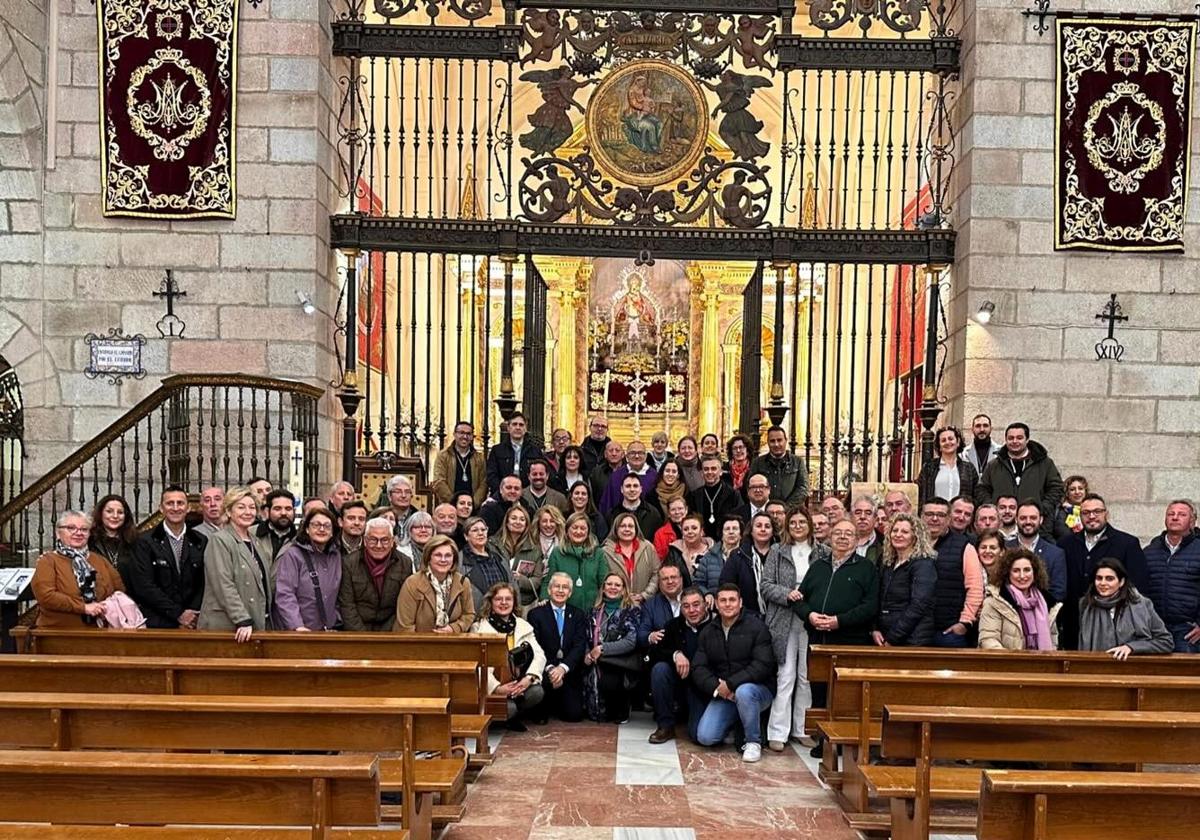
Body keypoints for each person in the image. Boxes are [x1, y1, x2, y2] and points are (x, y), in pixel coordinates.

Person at [761, 508, 828, 751]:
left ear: (810, 524)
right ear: (787, 527)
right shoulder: (777, 552)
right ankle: (777, 732)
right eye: (793, 522)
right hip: (784, 617)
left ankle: (802, 729)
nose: (798, 526)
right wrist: (787, 594)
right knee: (785, 674)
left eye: (802, 522)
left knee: (806, 675)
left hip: (810, 618)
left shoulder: (823, 552)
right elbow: (766, 585)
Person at [691, 583, 776, 762]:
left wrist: (731, 684)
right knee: (706, 737)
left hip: (757, 692)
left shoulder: (757, 627)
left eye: (732, 600)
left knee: (744, 692)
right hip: (725, 695)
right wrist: (717, 688)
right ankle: (738, 720)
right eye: (723, 600)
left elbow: (763, 664)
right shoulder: (708, 632)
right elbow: (698, 668)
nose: (728, 604)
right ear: (715, 603)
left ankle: (753, 741)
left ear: (740, 602)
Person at [1060, 493, 1150, 649]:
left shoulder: (1127, 543)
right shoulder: (1065, 544)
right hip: (1073, 624)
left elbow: (1138, 584)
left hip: (1113, 628)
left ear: (1106, 514)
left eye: (1097, 512)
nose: (1092, 516)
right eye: (1086, 513)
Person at [198, 487, 273, 641]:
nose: (248, 512)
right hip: (229, 626)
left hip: (254, 624)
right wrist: (242, 619)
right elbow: (223, 584)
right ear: (229, 512)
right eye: (241, 507)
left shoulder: (256, 542)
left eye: (252, 507)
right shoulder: (220, 540)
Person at [127, 485, 206, 629]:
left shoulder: (200, 541)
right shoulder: (144, 541)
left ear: (188, 508)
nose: (175, 508)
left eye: (180, 503)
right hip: (157, 622)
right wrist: (178, 614)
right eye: (170, 503)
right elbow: (143, 586)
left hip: (193, 622)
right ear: (161, 508)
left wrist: (191, 614)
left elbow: (205, 581)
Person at [471, 582, 546, 730]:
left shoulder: (523, 625)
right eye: (499, 599)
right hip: (493, 686)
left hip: (518, 682)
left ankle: (512, 714)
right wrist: (497, 688)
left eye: (508, 599)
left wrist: (528, 679)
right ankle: (505, 716)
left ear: (514, 602)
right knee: (508, 709)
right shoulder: (478, 628)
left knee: (537, 692)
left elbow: (539, 655)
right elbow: (476, 666)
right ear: (491, 602)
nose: (504, 603)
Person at [32, 510, 126, 629]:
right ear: (58, 533)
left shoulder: (100, 560)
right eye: (71, 528)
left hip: (100, 633)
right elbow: (46, 596)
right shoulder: (48, 561)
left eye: (84, 529)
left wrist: (106, 606)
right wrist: (83, 607)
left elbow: (119, 590)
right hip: (58, 633)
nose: (78, 533)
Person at [794, 519, 879, 646]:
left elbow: (870, 606)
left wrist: (839, 621)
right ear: (830, 537)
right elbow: (799, 599)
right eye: (837, 533)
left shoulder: (867, 568)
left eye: (848, 534)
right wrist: (809, 615)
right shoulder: (818, 566)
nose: (842, 537)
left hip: (851, 643)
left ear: (856, 541)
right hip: (816, 642)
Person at [647, 585, 711, 744]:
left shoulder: (716, 626)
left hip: (704, 687)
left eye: (696, 605)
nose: (692, 610)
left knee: (698, 735)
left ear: (705, 605)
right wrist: (676, 654)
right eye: (686, 606)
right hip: (679, 683)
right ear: (681, 608)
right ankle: (665, 726)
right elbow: (655, 652)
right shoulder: (673, 625)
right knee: (660, 669)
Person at [976, 422, 1065, 531]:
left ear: (1027, 440)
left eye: (1019, 438)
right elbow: (981, 489)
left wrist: (1042, 509)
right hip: (1002, 528)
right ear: (1006, 440)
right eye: (1011, 438)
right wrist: (994, 508)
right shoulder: (994, 465)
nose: (1014, 441)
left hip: (1034, 526)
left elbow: (1056, 488)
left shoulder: (1045, 463)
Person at [1078, 558, 1173, 658]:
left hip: (1133, 668)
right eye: (1099, 578)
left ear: (1121, 582)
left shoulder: (1141, 604)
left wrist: (1132, 647)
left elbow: (1166, 642)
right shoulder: (1086, 605)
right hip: (1097, 667)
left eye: (1109, 579)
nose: (1103, 583)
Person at [922, 497, 984, 647]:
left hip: (949, 632)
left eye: (941, 515)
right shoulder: (910, 543)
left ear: (949, 518)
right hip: (915, 631)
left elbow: (975, 588)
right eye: (929, 514)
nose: (935, 519)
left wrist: (964, 622)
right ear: (921, 517)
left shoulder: (965, 547)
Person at [528, 572, 589, 722]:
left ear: (570, 593)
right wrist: (550, 669)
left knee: (574, 716)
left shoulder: (578, 615)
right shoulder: (536, 614)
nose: (560, 590)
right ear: (549, 590)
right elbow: (535, 646)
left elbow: (579, 646)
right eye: (557, 586)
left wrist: (563, 668)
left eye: (565, 587)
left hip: (568, 671)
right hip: (544, 670)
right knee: (539, 719)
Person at [1142, 499, 1200, 652]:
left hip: (1188, 630)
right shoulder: (1149, 551)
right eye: (1170, 514)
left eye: (1182, 514)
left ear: (1192, 521)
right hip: (1154, 628)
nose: (1175, 517)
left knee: (1186, 674)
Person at [584, 573, 642, 724]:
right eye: (609, 584)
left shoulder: (631, 611)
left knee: (610, 689)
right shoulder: (593, 611)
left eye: (617, 585)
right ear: (603, 588)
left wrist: (602, 649)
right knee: (597, 715)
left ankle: (623, 707)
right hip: (595, 663)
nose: (613, 588)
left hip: (620, 663)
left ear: (624, 590)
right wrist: (587, 654)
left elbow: (631, 641)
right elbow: (586, 636)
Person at [271, 507, 341, 631]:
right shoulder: (293, 555)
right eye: (316, 525)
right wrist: (297, 625)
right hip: (300, 630)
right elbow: (285, 594)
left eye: (327, 526)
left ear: (332, 531)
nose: (321, 529)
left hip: (328, 630)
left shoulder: (336, 556)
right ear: (307, 529)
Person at [338, 517, 413, 631]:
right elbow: (347, 605)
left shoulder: (404, 563)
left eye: (384, 540)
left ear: (392, 541)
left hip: (391, 631)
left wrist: (385, 636)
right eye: (373, 539)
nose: (378, 545)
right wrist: (364, 637)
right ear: (365, 540)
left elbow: (403, 605)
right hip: (356, 631)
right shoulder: (349, 563)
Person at [873, 513, 937, 647]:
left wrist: (893, 637)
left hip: (913, 639)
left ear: (915, 537)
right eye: (894, 531)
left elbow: (918, 605)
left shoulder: (923, 564)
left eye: (905, 531)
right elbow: (878, 598)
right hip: (884, 636)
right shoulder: (887, 562)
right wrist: (875, 629)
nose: (898, 535)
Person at [977, 548, 1059, 651]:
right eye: (1016, 571)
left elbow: (1053, 638)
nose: (1022, 576)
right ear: (1007, 573)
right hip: (1007, 665)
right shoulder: (994, 602)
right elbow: (988, 639)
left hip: (1042, 665)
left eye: (1027, 570)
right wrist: (1014, 662)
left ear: (1035, 572)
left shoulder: (1046, 602)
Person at [394, 535, 476, 633]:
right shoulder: (413, 583)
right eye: (438, 555)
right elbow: (405, 626)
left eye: (448, 555)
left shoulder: (462, 582)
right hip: (420, 644)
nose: (443, 560)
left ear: (454, 558)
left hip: (453, 643)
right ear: (428, 557)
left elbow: (469, 614)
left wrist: (454, 628)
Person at [542, 512, 608, 611]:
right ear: (567, 530)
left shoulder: (598, 554)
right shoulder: (557, 553)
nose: (578, 531)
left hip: (592, 611)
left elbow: (604, 583)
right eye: (575, 527)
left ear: (588, 531)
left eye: (583, 528)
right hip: (563, 611)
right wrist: (544, 599)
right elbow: (548, 581)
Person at [1007, 501, 1067, 602]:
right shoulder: (1005, 548)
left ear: (1041, 520)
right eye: (1023, 518)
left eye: (1033, 518)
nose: (1028, 522)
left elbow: (1058, 592)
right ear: (1016, 519)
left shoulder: (1055, 554)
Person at [489, 504, 544, 612]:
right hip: (496, 602)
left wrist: (521, 579)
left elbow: (537, 581)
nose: (518, 522)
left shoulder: (535, 549)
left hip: (523, 604)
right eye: (514, 518)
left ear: (526, 524)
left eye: (522, 519)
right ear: (507, 522)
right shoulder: (492, 545)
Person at [720, 512, 774, 619]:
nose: (763, 529)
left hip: (778, 617)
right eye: (758, 526)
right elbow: (726, 586)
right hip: (747, 617)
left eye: (767, 526)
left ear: (773, 532)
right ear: (751, 531)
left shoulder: (781, 554)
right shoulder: (737, 555)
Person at [603, 511, 659, 605]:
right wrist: (624, 597)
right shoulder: (605, 552)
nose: (627, 529)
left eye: (630, 526)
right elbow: (603, 580)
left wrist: (645, 595)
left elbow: (656, 573)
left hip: (645, 604)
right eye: (623, 526)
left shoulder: (648, 547)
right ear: (616, 529)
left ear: (636, 529)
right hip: (617, 605)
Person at [431, 420, 487, 508]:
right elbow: (439, 481)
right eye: (461, 433)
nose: (465, 436)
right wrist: (454, 502)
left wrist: (473, 503)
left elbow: (484, 483)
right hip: (449, 506)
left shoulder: (479, 458)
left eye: (468, 434)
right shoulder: (443, 456)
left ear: (472, 436)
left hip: (472, 508)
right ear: (454, 434)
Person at [917, 426, 978, 506]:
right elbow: (921, 493)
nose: (947, 442)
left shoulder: (969, 468)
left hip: (960, 515)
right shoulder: (929, 467)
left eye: (950, 439)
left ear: (958, 442)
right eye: (943, 440)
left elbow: (975, 495)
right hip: (936, 514)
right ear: (939, 446)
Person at [460, 515, 512, 608]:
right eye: (475, 530)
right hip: (475, 616)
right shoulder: (460, 561)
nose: (480, 533)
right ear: (466, 536)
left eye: (483, 530)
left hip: (502, 612)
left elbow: (512, 587)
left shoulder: (499, 558)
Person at [485, 412, 543, 495]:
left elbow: (539, 474)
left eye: (521, 425)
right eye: (514, 424)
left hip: (527, 496)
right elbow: (491, 476)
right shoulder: (497, 450)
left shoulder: (535, 451)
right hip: (502, 495)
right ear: (508, 428)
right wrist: (504, 491)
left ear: (526, 428)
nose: (518, 427)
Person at [749, 425, 808, 505]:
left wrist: (785, 508)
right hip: (765, 512)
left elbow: (803, 488)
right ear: (768, 442)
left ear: (785, 441)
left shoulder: (798, 462)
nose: (776, 444)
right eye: (772, 441)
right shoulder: (758, 463)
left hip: (790, 512)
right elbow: (750, 486)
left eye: (779, 440)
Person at [87, 494, 138, 583]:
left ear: (126, 516)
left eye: (120, 512)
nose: (115, 516)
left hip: (128, 594)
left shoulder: (135, 542)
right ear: (101, 513)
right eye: (109, 511)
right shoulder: (88, 540)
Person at [690, 455, 740, 541]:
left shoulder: (733, 495)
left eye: (713, 469)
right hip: (701, 542)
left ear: (720, 472)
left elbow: (739, 521)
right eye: (706, 469)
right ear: (702, 473)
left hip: (727, 542)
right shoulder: (694, 496)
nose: (709, 472)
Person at [694, 515, 743, 604]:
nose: (731, 532)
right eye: (727, 529)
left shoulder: (748, 557)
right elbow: (698, 583)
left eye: (735, 529)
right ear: (721, 534)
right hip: (715, 607)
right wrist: (707, 594)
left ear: (741, 534)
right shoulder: (709, 557)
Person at [600, 440, 657, 515]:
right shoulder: (616, 476)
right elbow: (607, 504)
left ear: (646, 456)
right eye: (632, 453)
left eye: (640, 453)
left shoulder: (655, 476)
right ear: (626, 456)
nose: (636, 456)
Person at [253, 489, 297, 578]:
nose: (283, 513)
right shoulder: (251, 534)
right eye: (277, 509)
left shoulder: (300, 540)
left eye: (288, 509)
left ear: (294, 511)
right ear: (267, 511)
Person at [605, 472, 664, 539]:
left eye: (635, 486)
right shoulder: (612, 515)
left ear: (641, 489)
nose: (632, 490)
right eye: (628, 486)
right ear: (621, 489)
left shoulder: (653, 514)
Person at [664, 512, 712, 582]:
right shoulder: (674, 552)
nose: (690, 532)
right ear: (682, 533)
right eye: (686, 529)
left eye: (694, 528)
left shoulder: (713, 550)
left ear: (701, 531)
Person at [1053, 474, 1089, 542]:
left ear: (1085, 491)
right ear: (1067, 493)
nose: (1077, 492)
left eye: (1080, 488)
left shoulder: (1091, 511)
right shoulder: (1061, 511)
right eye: (1072, 489)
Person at [653, 496, 689, 560]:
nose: (677, 512)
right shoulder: (660, 534)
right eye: (673, 509)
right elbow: (659, 559)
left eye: (680, 508)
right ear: (668, 513)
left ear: (686, 510)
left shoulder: (696, 529)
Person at [383, 475, 418, 541]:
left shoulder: (418, 518)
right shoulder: (381, 517)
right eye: (398, 492)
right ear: (389, 496)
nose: (403, 496)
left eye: (407, 492)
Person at [850, 495, 881, 566]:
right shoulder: (841, 541)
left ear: (875, 518)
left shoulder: (884, 544)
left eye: (868, 513)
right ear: (851, 517)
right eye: (858, 512)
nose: (862, 517)